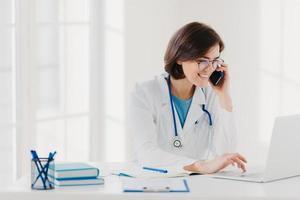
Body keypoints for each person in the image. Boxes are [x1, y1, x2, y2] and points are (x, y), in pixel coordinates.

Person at [129, 22, 247, 174]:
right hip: (152, 183)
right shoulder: (144, 93)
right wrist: (199, 166)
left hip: (195, 184)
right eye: (202, 61)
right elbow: (146, 153)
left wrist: (224, 97)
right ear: (179, 58)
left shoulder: (210, 94)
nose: (210, 69)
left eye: (215, 61)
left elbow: (226, 154)